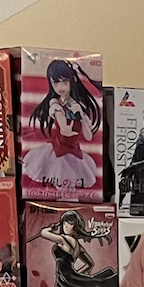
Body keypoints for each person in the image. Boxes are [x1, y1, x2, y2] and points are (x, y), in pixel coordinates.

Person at [23, 57, 102, 196]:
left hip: (75, 151)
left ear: (73, 80)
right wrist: (68, 125)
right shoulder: (55, 103)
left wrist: (81, 115)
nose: (60, 88)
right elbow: (63, 126)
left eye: (65, 82)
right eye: (55, 83)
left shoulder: (78, 105)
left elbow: (88, 136)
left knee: (70, 190)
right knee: (59, 186)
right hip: (58, 150)